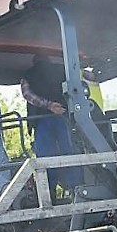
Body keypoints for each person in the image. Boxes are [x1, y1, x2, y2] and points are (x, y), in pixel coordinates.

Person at [20, 54, 77, 196]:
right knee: (70, 154)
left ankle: (48, 194)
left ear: (34, 62)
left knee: (45, 159)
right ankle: (77, 190)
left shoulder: (28, 74)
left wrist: (48, 105)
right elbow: (74, 88)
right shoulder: (62, 70)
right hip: (62, 117)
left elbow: (27, 94)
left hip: (41, 119)